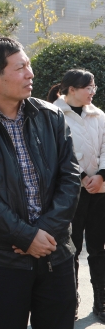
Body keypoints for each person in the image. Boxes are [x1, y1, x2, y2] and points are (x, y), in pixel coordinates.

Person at [0, 36, 80, 329]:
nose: (30, 73)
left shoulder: (51, 116)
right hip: (4, 259)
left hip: (55, 252)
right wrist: (25, 237)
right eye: (20, 67)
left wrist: (44, 233)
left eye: (29, 65)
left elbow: (70, 177)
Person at [52, 69, 105, 321]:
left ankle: (102, 300)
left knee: (99, 248)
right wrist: (83, 177)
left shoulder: (99, 115)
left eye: (94, 87)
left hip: (100, 191)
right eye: (88, 87)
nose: (93, 92)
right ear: (71, 89)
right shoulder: (52, 114)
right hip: (70, 193)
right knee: (70, 249)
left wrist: (101, 175)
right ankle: (69, 301)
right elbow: (57, 153)